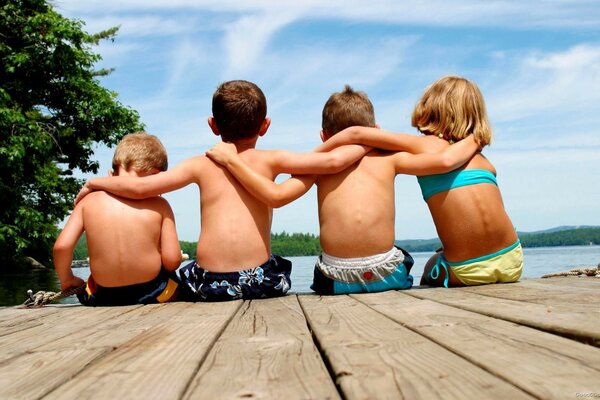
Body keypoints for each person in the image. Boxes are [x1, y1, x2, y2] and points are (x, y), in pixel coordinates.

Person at [74, 80, 369, 301]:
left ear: (213, 125)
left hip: (209, 284)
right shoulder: (272, 159)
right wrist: (370, 141)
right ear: (265, 126)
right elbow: (332, 161)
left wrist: (94, 182)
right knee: (277, 263)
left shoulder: (201, 164)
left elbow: (139, 188)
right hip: (260, 282)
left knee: (175, 274)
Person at [206, 85, 479, 294]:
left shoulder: (317, 168)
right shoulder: (390, 159)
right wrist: (473, 139)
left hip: (335, 280)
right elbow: (443, 160)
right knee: (407, 257)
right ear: (376, 130)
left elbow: (279, 192)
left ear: (324, 136)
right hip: (388, 276)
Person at [316, 76, 524, 287]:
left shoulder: (424, 146)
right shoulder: (481, 156)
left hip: (466, 272)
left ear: (429, 109)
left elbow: (357, 134)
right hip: (513, 261)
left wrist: (315, 157)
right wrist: (477, 136)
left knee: (430, 266)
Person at [53, 132, 183, 306]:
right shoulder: (160, 204)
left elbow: (62, 246)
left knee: (91, 285)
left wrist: (67, 279)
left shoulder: (88, 202)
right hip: (154, 293)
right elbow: (172, 261)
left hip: (102, 297)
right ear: (156, 175)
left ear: (111, 175)